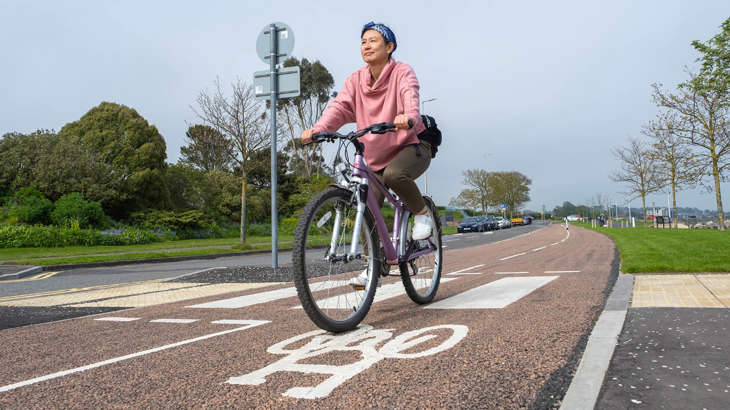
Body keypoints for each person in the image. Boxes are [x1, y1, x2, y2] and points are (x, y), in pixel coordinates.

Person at [301, 21, 432, 288]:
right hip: (375, 155)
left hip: (411, 144)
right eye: (363, 42)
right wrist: (318, 129)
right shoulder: (356, 80)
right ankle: (373, 264)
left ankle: (421, 213)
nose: (367, 45)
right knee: (365, 203)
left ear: (389, 47)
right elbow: (339, 107)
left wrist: (408, 116)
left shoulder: (402, 72)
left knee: (395, 175)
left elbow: (410, 96)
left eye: (373, 40)